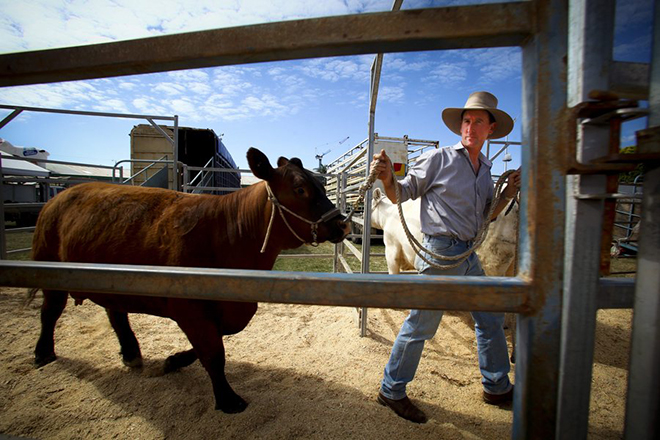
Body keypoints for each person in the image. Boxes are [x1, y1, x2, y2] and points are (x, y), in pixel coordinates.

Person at [371, 91, 521, 424]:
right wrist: (387, 179)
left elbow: (487, 217)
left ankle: (496, 385)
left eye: (478, 121)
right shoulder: (438, 159)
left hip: (467, 253)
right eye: (466, 120)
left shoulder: (486, 170)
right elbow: (403, 193)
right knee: (422, 324)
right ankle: (391, 390)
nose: (470, 126)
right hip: (440, 252)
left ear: (490, 130)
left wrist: (508, 194)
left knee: (490, 316)